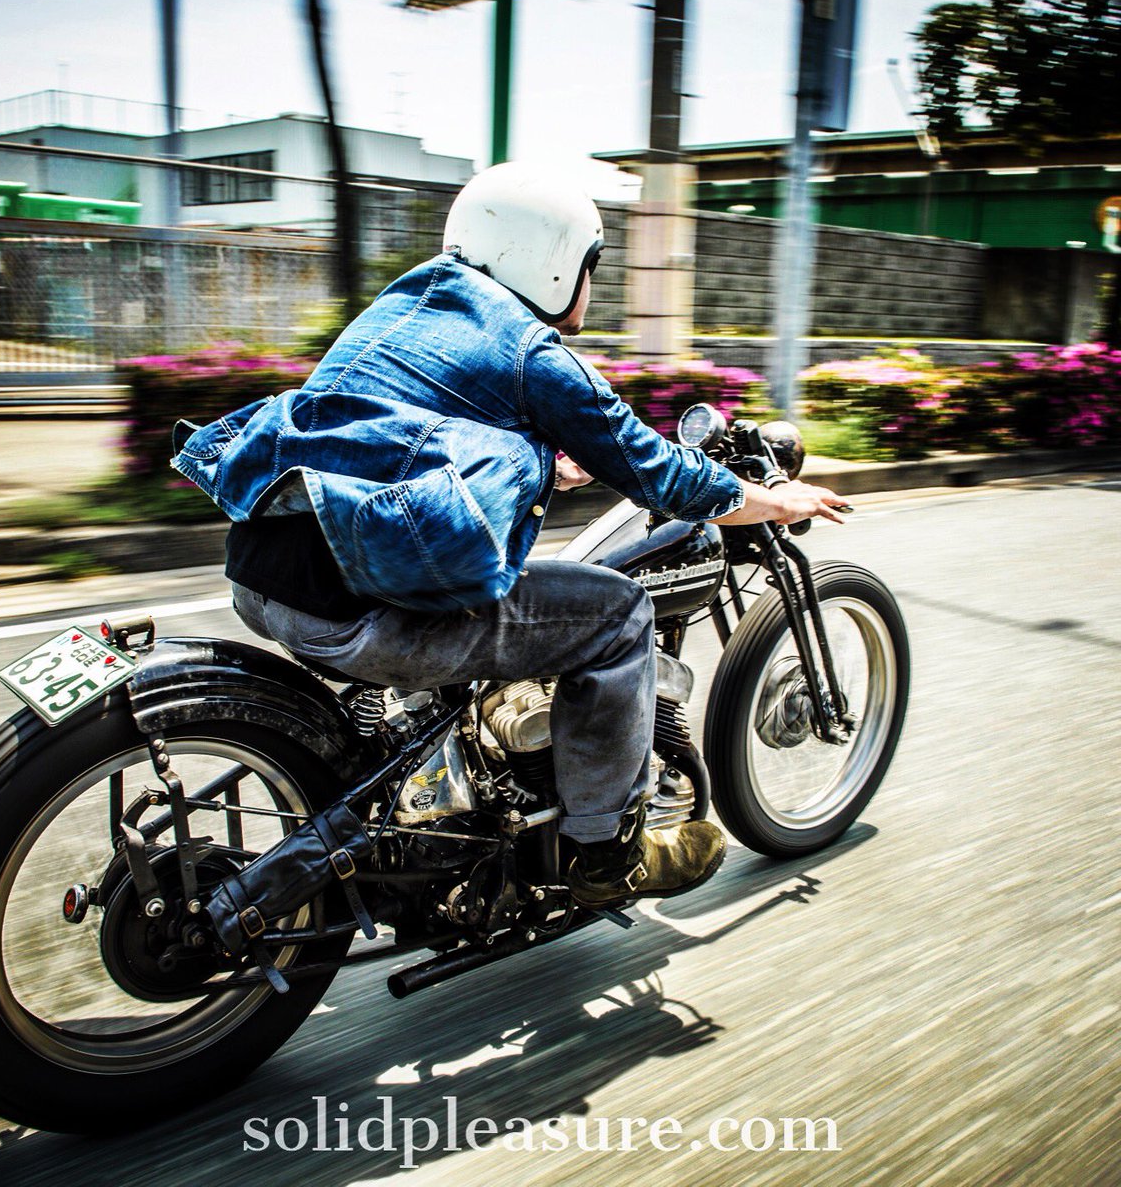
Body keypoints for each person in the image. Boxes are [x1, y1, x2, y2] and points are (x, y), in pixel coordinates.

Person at [172, 162, 849, 908]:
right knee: (619, 616)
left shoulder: (407, 303)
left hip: (265, 578)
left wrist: (537, 465)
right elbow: (660, 474)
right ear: (557, 265)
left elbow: (395, 427)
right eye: (591, 265)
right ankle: (604, 852)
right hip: (361, 611)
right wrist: (769, 498)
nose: (591, 283)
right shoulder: (534, 353)